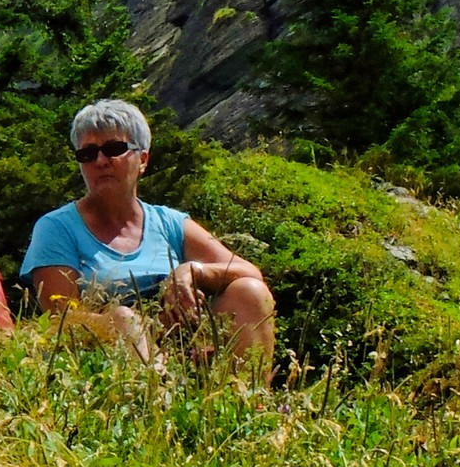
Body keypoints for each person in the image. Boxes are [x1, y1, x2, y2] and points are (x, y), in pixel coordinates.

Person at [24, 99, 276, 376]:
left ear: (143, 160)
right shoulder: (56, 228)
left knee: (250, 293)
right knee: (124, 318)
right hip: (103, 362)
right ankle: (156, 403)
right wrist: (138, 325)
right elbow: (61, 319)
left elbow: (248, 271)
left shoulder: (169, 223)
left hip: (184, 344)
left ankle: (250, 406)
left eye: (114, 149)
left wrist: (193, 271)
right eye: (88, 154)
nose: (100, 161)